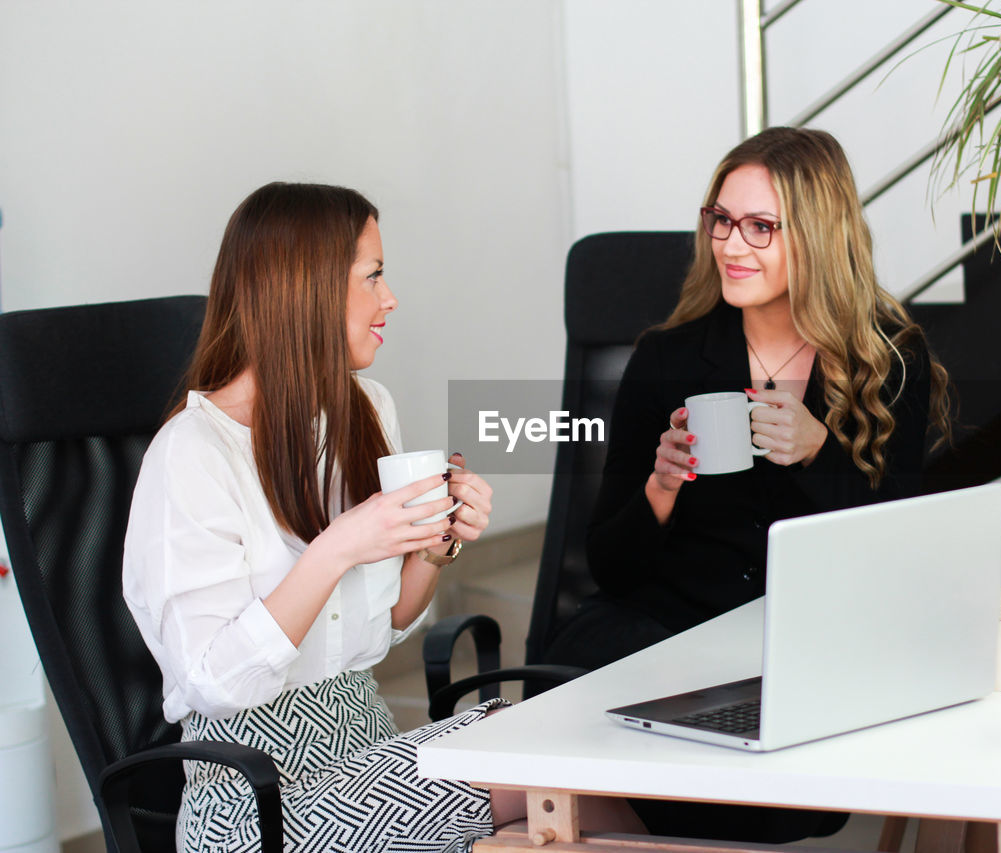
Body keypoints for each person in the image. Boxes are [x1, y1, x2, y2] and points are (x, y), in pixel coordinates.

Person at [122, 183, 638, 852]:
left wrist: (430, 546)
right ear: (304, 289)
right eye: (373, 276)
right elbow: (215, 683)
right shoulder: (191, 454)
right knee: (542, 767)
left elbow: (389, 621)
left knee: (555, 773)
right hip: (253, 796)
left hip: (367, 748)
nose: (389, 298)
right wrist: (337, 547)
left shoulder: (364, 409)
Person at [548, 126, 952, 673]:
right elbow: (611, 569)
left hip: (813, 633)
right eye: (722, 220)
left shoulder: (888, 360)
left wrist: (818, 451)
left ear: (818, 237)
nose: (731, 246)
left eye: (761, 227)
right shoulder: (665, 358)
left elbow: (896, 553)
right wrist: (661, 487)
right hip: (670, 632)